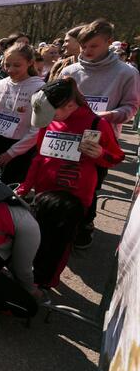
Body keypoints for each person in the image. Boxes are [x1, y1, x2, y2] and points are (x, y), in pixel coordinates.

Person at [18, 78, 124, 280]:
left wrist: (100, 154)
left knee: (57, 243)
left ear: (70, 105)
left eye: (53, 113)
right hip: (44, 191)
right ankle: (30, 274)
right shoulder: (49, 120)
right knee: (37, 235)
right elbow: (39, 156)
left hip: (74, 196)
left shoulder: (97, 123)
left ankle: (46, 281)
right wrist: (26, 186)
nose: (49, 119)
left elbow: (116, 157)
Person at [59, 19, 140, 245]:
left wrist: (104, 117)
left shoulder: (126, 73)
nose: (86, 51)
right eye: (83, 46)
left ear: (108, 42)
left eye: (93, 46)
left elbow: (131, 107)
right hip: (67, 134)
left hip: (100, 139)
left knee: (89, 185)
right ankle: (61, 221)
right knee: (62, 179)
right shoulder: (70, 70)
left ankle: (84, 225)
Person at [0, 42, 43, 184]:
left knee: (8, 193)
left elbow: (37, 128)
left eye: (17, 65)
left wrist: (11, 153)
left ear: (30, 63)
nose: (10, 69)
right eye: (7, 65)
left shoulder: (39, 88)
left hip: (19, 149)